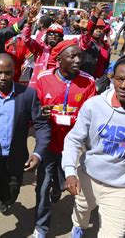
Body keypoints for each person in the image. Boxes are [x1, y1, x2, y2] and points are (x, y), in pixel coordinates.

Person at [62, 55, 125, 238]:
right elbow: (73, 140)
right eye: (119, 79)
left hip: (122, 187)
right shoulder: (94, 106)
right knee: (81, 211)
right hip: (88, 176)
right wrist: (70, 171)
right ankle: (78, 227)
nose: (123, 86)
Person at [0, 53, 51, 238]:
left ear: (15, 72)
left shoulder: (27, 95)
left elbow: (42, 126)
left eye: (7, 73)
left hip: (14, 160)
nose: (3, 77)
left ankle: (4, 198)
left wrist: (37, 153)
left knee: (10, 195)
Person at [32, 40, 96, 238]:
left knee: (61, 182)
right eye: (72, 56)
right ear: (59, 59)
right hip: (48, 142)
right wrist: (41, 112)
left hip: (73, 146)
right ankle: (41, 227)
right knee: (42, 186)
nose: (78, 60)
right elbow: (34, 109)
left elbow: (91, 115)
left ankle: (57, 188)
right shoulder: (43, 79)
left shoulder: (89, 82)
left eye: (80, 56)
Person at [21, 22, 63, 87]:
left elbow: (82, 45)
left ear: (61, 38)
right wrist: (29, 24)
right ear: (46, 36)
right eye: (50, 34)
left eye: (57, 34)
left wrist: (85, 33)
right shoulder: (39, 49)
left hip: (56, 87)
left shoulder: (65, 51)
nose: (53, 36)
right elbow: (26, 39)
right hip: (38, 86)